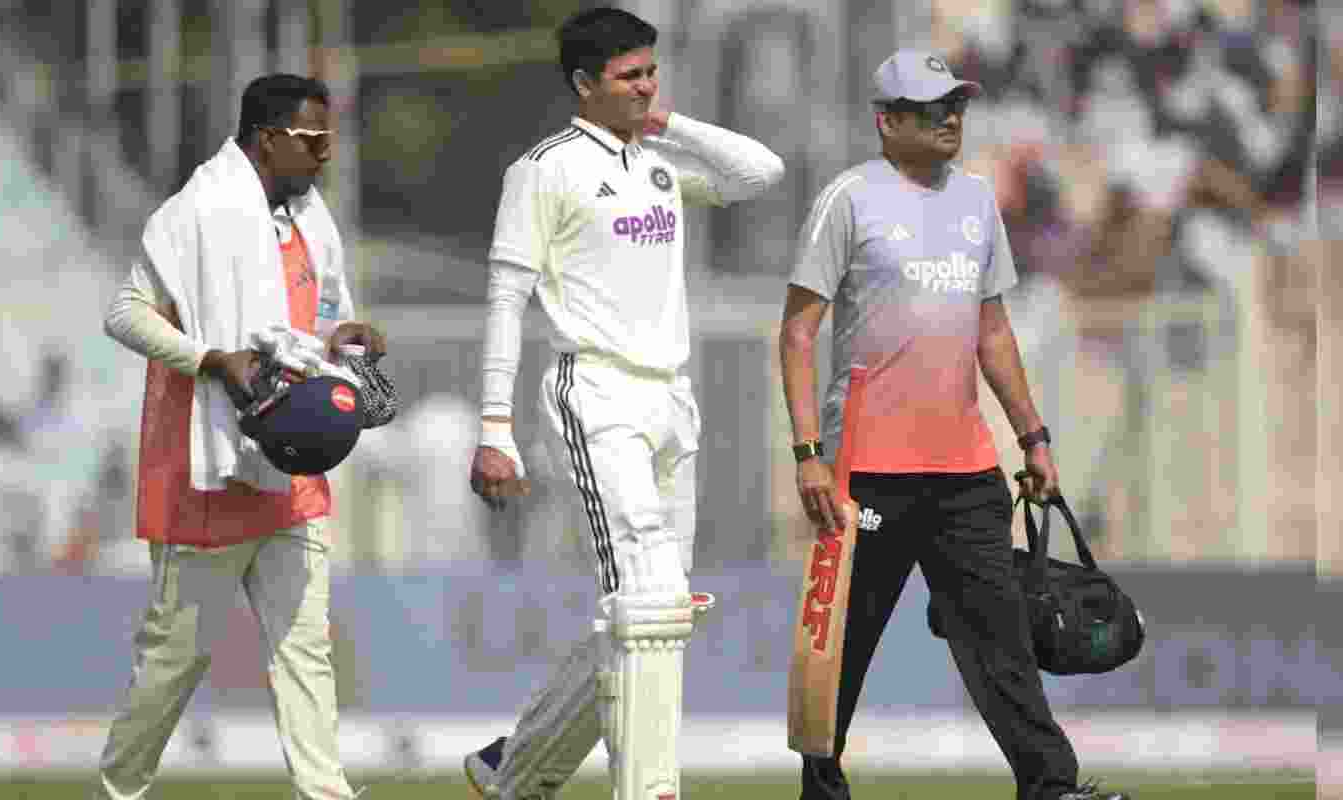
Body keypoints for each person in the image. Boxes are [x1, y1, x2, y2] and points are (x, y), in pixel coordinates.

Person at [778, 50, 1129, 800]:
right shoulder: (849, 200)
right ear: (888, 120)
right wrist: (809, 454)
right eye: (933, 108)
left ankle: (1050, 786)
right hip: (865, 470)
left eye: (957, 106)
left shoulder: (976, 202)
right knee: (845, 644)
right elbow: (799, 333)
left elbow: (993, 332)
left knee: (1000, 637)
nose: (951, 120)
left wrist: (1032, 437)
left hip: (967, 470)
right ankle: (821, 790)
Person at [463, 7, 784, 800]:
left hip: (671, 398)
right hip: (595, 391)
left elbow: (760, 172)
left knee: (662, 611)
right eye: (629, 77)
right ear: (583, 84)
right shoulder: (546, 168)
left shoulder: (658, 159)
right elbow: (507, 297)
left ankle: (519, 768)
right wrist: (494, 427)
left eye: (652, 72)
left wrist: (665, 119)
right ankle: (649, 790)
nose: (646, 87)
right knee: (643, 602)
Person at [95, 73, 381, 800]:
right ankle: (118, 790)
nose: (325, 154)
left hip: (290, 471)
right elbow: (124, 313)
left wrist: (338, 339)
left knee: (305, 652)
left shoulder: (313, 219)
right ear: (268, 139)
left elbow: (314, 323)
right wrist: (210, 359)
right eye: (313, 139)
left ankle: (326, 795)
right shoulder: (194, 211)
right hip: (209, 469)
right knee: (173, 662)